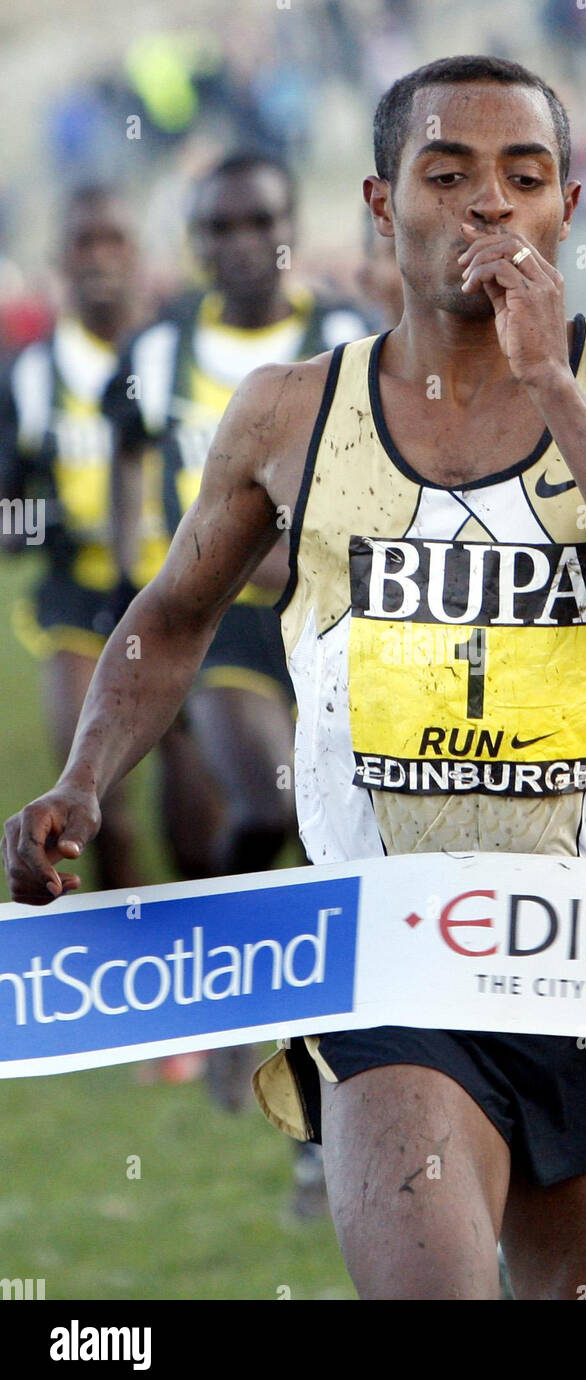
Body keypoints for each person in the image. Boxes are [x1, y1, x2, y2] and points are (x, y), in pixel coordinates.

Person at [3, 56, 586, 1299]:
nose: (488, 207)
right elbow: (175, 612)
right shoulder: (290, 414)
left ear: (566, 208)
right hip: (384, 958)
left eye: (525, 178)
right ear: (378, 201)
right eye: (447, 173)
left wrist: (553, 390)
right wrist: (86, 777)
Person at [103, 151, 366, 1193]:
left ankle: (291, 1058)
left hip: (337, 618)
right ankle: (232, 1020)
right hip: (222, 625)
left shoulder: (349, 334)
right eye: (217, 226)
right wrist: (141, 586)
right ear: (196, 239)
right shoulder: (160, 351)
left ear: (288, 221)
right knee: (267, 801)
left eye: (258, 219)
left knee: (330, 837)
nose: (240, 241)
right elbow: (129, 468)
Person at [0, 185, 209, 895]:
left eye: (113, 241)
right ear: (60, 259)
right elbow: (6, 513)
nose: (99, 258)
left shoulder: (183, 350)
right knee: (94, 804)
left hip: (189, 593)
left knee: (200, 816)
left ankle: (207, 950)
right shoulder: (29, 373)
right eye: (84, 243)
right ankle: (117, 956)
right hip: (81, 601)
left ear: (139, 253)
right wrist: (43, 523)